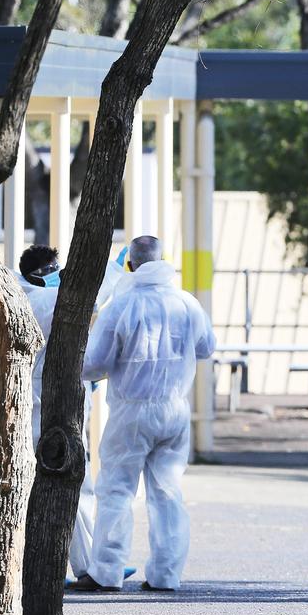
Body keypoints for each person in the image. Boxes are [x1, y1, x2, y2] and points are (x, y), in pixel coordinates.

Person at [73, 235, 216, 593]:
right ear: (162, 260)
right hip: (175, 409)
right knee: (167, 491)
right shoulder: (187, 303)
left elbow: (95, 364)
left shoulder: (121, 306)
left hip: (131, 411)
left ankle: (106, 571)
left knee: (117, 490)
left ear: (131, 265)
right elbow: (206, 348)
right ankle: (167, 574)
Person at [18, 244, 134, 583]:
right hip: (49, 403)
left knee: (59, 484)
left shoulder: (28, 295)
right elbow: (87, 300)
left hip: (45, 400)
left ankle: (81, 565)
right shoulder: (40, 301)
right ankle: (90, 567)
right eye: (53, 269)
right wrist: (111, 271)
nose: (58, 274)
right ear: (39, 274)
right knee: (75, 482)